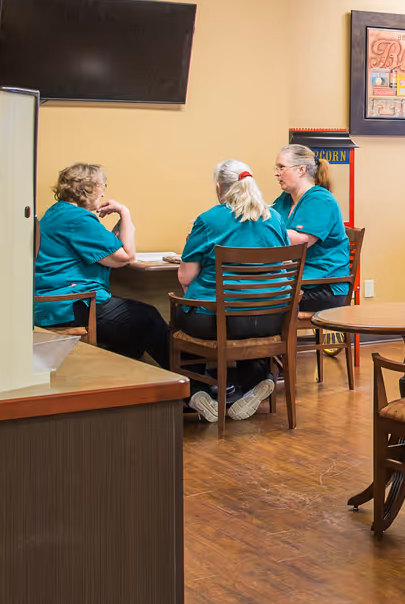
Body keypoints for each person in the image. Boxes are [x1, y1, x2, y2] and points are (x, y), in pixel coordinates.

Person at [174, 159, 293, 423]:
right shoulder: (274, 217)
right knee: (245, 319)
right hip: (271, 318)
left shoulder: (208, 219)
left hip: (220, 320)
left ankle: (197, 391)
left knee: (182, 316)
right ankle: (258, 382)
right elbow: (283, 263)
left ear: (220, 187)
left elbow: (185, 277)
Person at [32, 163, 169, 366]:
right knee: (145, 316)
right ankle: (192, 385)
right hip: (71, 305)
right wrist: (125, 213)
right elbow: (126, 257)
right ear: (91, 188)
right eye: (102, 186)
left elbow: (105, 252)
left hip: (53, 303)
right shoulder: (77, 219)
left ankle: (130, 384)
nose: (103, 194)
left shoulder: (57, 213)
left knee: (133, 324)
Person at [271, 143, 351, 316]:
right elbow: (267, 221)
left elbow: (300, 241)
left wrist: (262, 232)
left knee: (257, 301)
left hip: (324, 288)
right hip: (296, 280)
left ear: (301, 170)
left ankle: (277, 343)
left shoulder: (321, 200)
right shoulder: (285, 199)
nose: (276, 173)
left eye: (281, 167)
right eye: (276, 168)